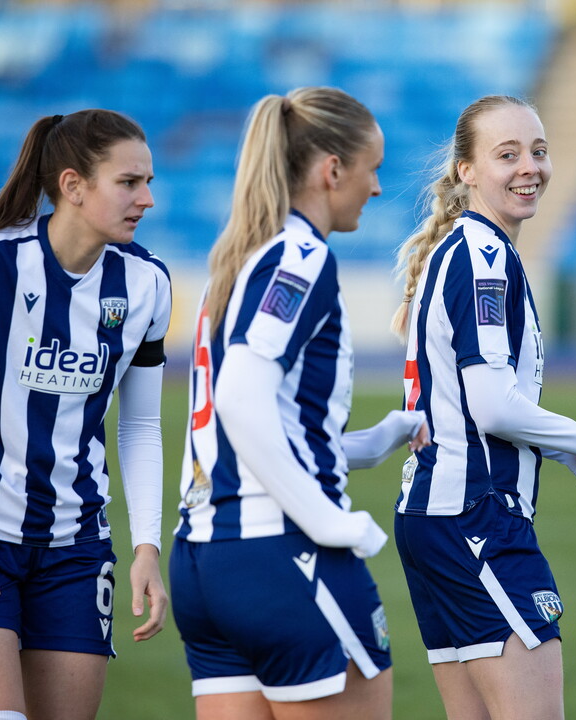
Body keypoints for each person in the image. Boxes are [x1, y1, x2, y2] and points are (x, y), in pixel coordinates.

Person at [169, 87, 428, 720]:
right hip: (282, 554)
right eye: (372, 169)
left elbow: (270, 425)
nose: (375, 188)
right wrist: (327, 520)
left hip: (203, 563)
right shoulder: (299, 258)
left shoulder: (234, 263)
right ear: (330, 169)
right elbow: (240, 396)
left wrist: (384, 436)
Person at [389, 94, 576, 720]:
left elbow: (481, 409)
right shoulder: (484, 256)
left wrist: (566, 455)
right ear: (466, 171)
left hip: (436, 518)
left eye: (539, 151)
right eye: (507, 154)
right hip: (477, 519)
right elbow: (494, 408)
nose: (530, 166)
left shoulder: (470, 250)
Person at [0, 109, 170, 720]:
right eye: (129, 183)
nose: (147, 199)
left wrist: (147, 546)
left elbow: (141, 424)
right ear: (73, 186)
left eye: (148, 182)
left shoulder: (147, 284)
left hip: (76, 552)